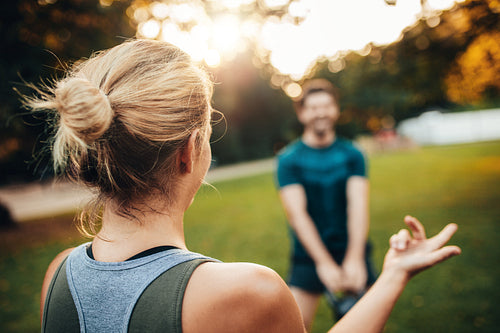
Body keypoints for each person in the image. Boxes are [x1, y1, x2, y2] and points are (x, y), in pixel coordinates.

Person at [27, 40, 460, 333]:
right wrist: (393, 276)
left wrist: (390, 275)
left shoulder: (57, 277)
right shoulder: (246, 293)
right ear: (190, 150)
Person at [276, 79, 374, 328]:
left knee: (369, 323)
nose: (321, 112)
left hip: (352, 246)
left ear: (336, 109)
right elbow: (297, 215)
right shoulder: (289, 160)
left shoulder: (353, 154)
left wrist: (354, 257)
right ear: (301, 113)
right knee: (293, 326)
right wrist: (323, 263)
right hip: (308, 255)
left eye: (327, 105)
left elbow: (358, 206)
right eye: (313, 107)